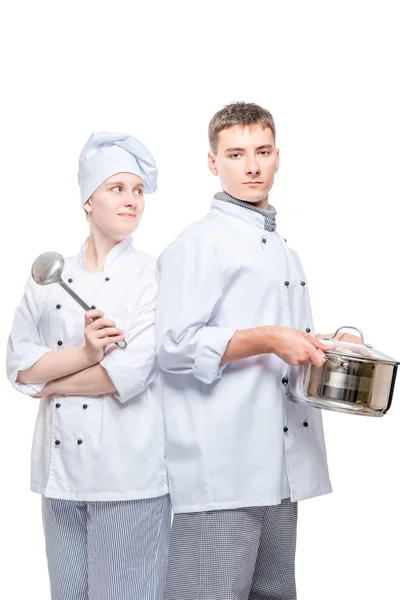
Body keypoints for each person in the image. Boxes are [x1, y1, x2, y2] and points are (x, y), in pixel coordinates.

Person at [155, 102, 360, 600]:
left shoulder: (283, 249)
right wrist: (267, 338)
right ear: (213, 162)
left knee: (272, 594)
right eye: (236, 153)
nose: (251, 165)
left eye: (262, 152)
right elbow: (173, 345)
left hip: (280, 466)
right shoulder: (200, 243)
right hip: (221, 468)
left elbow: (288, 344)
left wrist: (327, 344)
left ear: (277, 157)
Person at [6, 132, 170, 600]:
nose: (131, 201)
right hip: (60, 479)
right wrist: (85, 354)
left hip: (129, 475)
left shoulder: (154, 274)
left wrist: (52, 384)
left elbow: (129, 375)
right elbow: (18, 366)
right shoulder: (49, 276)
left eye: (137, 191)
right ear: (87, 201)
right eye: (117, 189)